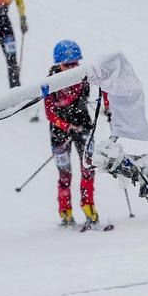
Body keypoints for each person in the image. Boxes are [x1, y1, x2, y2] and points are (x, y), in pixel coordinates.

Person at [44, 40, 108, 228]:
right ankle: (65, 213)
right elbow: (49, 113)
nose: (72, 68)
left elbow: (104, 84)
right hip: (59, 133)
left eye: (75, 64)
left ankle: (89, 209)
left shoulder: (84, 75)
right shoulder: (49, 83)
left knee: (88, 169)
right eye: (67, 65)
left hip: (84, 127)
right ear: (59, 64)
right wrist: (66, 126)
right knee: (65, 174)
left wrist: (108, 107)